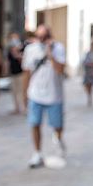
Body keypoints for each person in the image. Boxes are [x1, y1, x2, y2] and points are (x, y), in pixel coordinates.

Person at [22, 25, 67, 168]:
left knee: (57, 125)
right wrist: (25, 93)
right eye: (38, 36)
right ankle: (37, 153)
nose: (41, 40)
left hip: (54, 95)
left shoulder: (58, 48)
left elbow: (60, 70)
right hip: (35, 94)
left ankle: (58, 138)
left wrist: (50, 54)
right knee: (35, 123)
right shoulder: (30, 50)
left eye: (44, 37)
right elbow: (27, 72)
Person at [6, 32, 25, 114]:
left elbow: (24, 61)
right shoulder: (9, 50)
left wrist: (17, 54)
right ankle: (16, 108)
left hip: (20, 73)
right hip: (13, 73)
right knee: (14, 91)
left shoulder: (22, 48)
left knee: (21, 91)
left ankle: (23, 108)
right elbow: (8, 61)